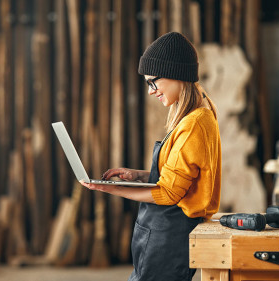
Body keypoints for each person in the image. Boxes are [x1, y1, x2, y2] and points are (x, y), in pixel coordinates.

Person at [80, 32, 221, 281]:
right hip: (162, 236)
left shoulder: (193, 124)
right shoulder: (198, 113)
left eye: (153, 82)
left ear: (176, 73)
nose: (151, 91)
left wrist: (110, 189)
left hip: (168, 239)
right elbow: (182, 178)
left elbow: (168, 194)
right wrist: (136, 176)